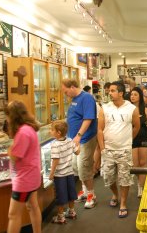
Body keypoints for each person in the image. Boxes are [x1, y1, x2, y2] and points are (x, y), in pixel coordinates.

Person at [97, 81, 140, 218]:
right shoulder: (105, 108)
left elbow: (136, 127)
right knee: (108, 178)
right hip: (108, 150)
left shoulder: (132, 108)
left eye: (113, 91)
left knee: (125, 179)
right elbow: (99, 130)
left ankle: (123, 202)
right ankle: (115, 194)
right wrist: (102, 148)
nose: (110, 93)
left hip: (125, 150)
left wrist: (127, 140)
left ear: (121, 93)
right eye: (109, 91)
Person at [5, 100, 41, 233]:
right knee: (33, 207)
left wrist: (9, 150)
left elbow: (15, 155)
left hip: (24, 180)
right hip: (32, 176)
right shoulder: (29, 128)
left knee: (13, 215)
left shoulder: (22, 132)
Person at [61, 78, 98, 209]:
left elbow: (88, 118)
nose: (65, 94)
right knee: (76, 166)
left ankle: (91, 195)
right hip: (74, 139)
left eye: (66, 91)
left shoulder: (86, 98)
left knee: (84, 167)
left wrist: (79, 135)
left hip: (85, 138)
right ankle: (85, 191)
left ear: (72, 87)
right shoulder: (74, 100)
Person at [49, 120, 80, 224]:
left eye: (52, 130)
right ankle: (71, 212)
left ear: (58, 133)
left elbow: (55, 160)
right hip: (70, 173)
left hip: (59, 175)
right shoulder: (70, 140)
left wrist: (51, 173)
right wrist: (77, 145)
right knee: (71, 193)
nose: (50, 131)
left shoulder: (55, 145)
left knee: (60, 196)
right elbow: (77, 152)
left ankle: (60, 217)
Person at [129, 87, 147, 197]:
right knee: (135, 165)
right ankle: (140, 183)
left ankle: (141, 187)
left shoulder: (146, 110)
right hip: (132, 138)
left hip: (143, 138)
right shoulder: (127, 109)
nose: (132, 96)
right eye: (131, 95)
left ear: (140, 96)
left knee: (143, 163)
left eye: (135, 94)